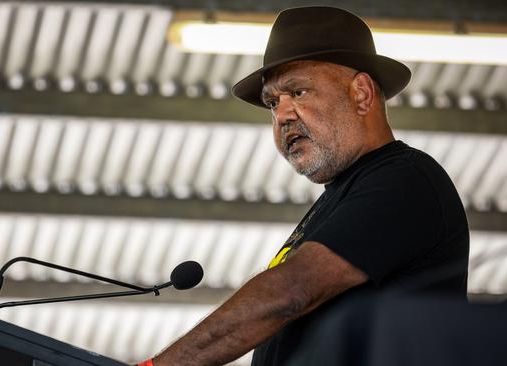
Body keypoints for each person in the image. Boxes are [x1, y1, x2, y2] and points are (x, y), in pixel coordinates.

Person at [137, 6, 469, 366]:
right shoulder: (339, 202)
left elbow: (290, 292)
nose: (282, 116)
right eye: (272, 102)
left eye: (298, 92)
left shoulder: (405, 181)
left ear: (361, 93)